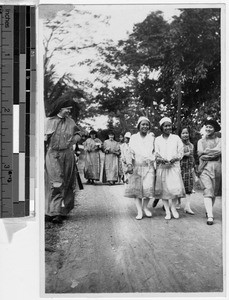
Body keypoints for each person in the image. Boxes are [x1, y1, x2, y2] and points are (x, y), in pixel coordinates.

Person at [45, 98, 81, 224]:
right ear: (61, 108)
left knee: (68, 182)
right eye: (68, 109)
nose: (69, 112)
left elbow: (78, 133)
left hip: (68, 154)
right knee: (56, 181)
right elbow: (42, 138)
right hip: (53, 154)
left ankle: (63, 211)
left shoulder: (71, 122)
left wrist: (73, 140)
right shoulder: (48, 121)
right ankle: (53, 212)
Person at [154, 117, 185, 220]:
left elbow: (181, 151)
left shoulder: (176, 138)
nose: (168, 127)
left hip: (174, 167)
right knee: (164, 190)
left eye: (169, 125)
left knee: (174, 189)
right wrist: (160, 159)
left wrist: (174, 158)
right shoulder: (158, 139)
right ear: (161, 127)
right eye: (165, 126)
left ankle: (173, 209)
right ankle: (167, 211)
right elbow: (156, 152)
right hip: (162, 167)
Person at [124, 117, 155, 220]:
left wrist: (152, 158)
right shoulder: (134, 137)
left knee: (148, 188)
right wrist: (129, 164)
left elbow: (155, 151)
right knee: (137, 190)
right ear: (139, 126)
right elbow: (130, 151)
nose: (145, 126)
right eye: (143, 124)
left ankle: (145, 207)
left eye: (147, 124)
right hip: (137, 165)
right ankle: (139, 211)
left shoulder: (151, 138)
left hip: (148, 166)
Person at [197, 119, 221, 225]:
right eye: (207, 126)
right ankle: (210, 216)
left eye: (210, 127)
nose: (208, 129)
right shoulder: (200, 141)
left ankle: (208, 210)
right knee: (208, 189)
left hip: (217, 168)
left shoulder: (220, 140)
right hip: (204, 167)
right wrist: (208, 153)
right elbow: (200, 154)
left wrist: (206, 152)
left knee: (214, 192)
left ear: (215, 129)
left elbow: (219, 151)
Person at [177, 126, 195, 214]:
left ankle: (187, 207)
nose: (185, 135)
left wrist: (193, 168)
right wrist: (184, 154)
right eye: (183, 133)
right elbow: (175, 156)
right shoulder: (178, 144)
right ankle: (178, 203)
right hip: (179, 168)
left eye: (186, 133)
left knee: (188, 188)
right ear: (180, 135)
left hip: (188, 168)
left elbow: (192, 157)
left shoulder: (191, 145)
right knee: (178, 186)